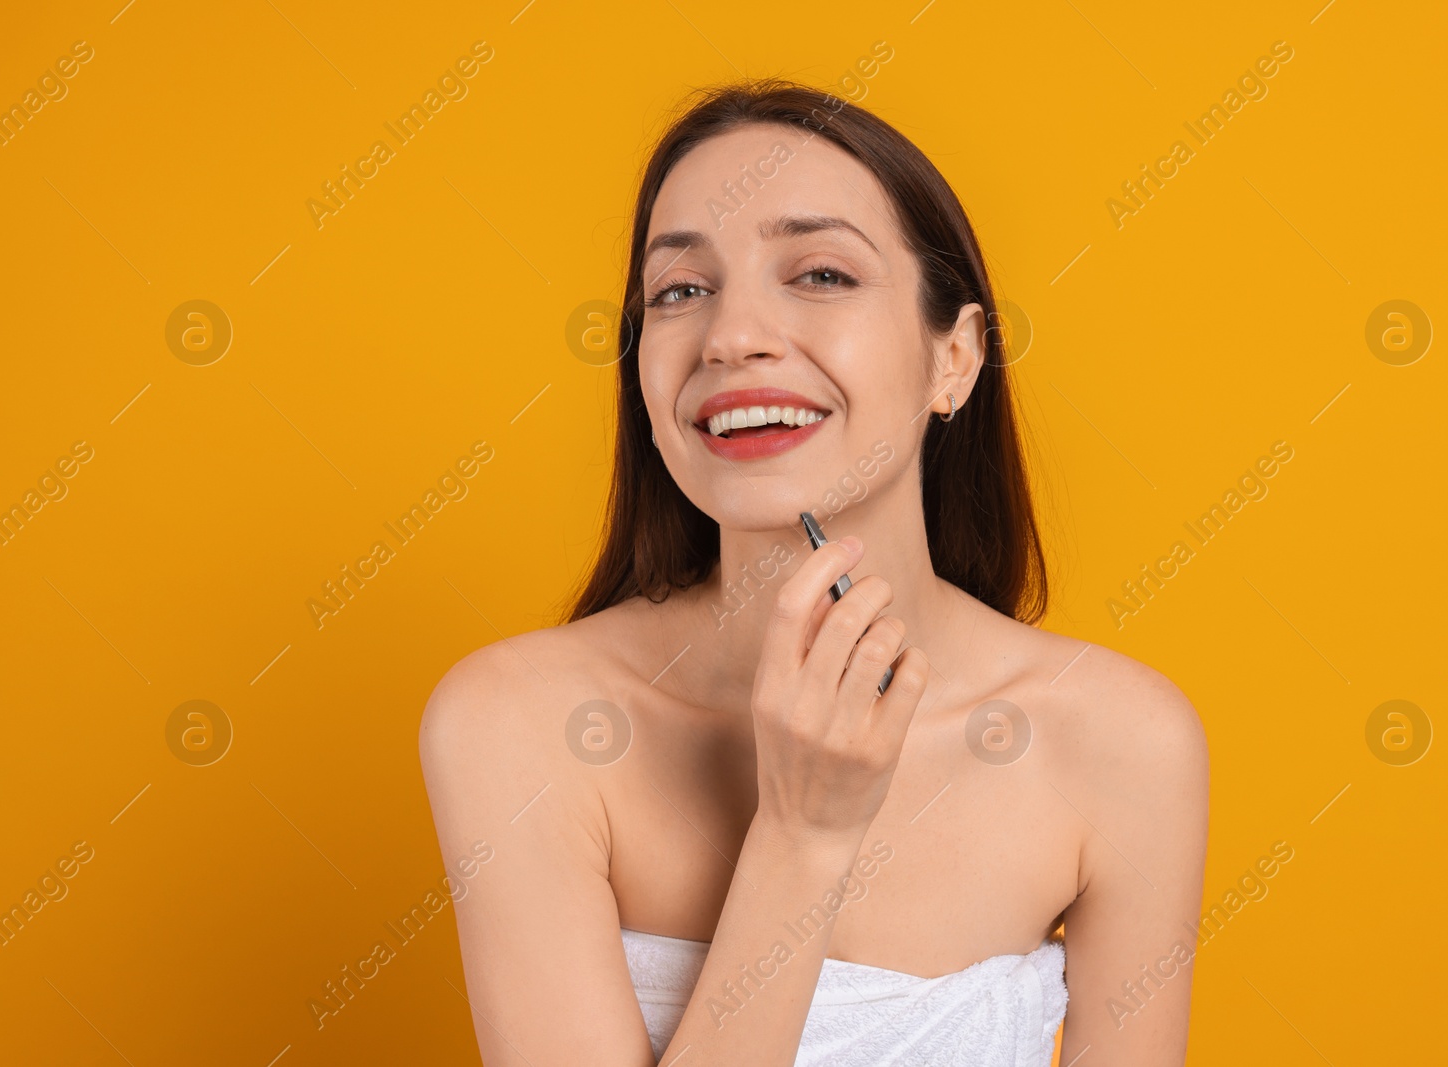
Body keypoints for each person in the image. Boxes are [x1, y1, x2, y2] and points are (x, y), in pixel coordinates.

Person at [419, 79, 1208, 1067]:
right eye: (680, 291)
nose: (731, 335)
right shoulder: (515, 721)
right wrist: (802, 837)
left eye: (821, 275)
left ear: (954, 357)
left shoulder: (1124, 740)